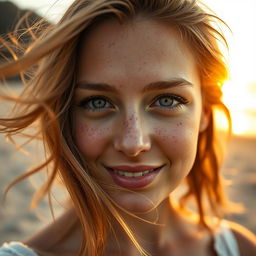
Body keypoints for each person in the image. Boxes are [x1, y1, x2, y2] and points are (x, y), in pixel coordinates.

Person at [0, 0, 255, 255]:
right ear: (65, 115)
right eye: (98, 102)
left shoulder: (239, 248)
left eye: (167, 100)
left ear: (205, 113)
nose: (134, 143)